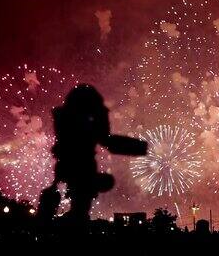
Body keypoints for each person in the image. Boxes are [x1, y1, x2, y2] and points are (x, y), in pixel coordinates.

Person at [38, 84, 147, 223]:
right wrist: (140, 148)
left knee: (77, 206)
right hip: (82, 167)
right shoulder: (86, 125)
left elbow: (101, 139)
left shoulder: (65, 120)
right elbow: (106, 140)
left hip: (68, 166)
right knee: (80, 208)